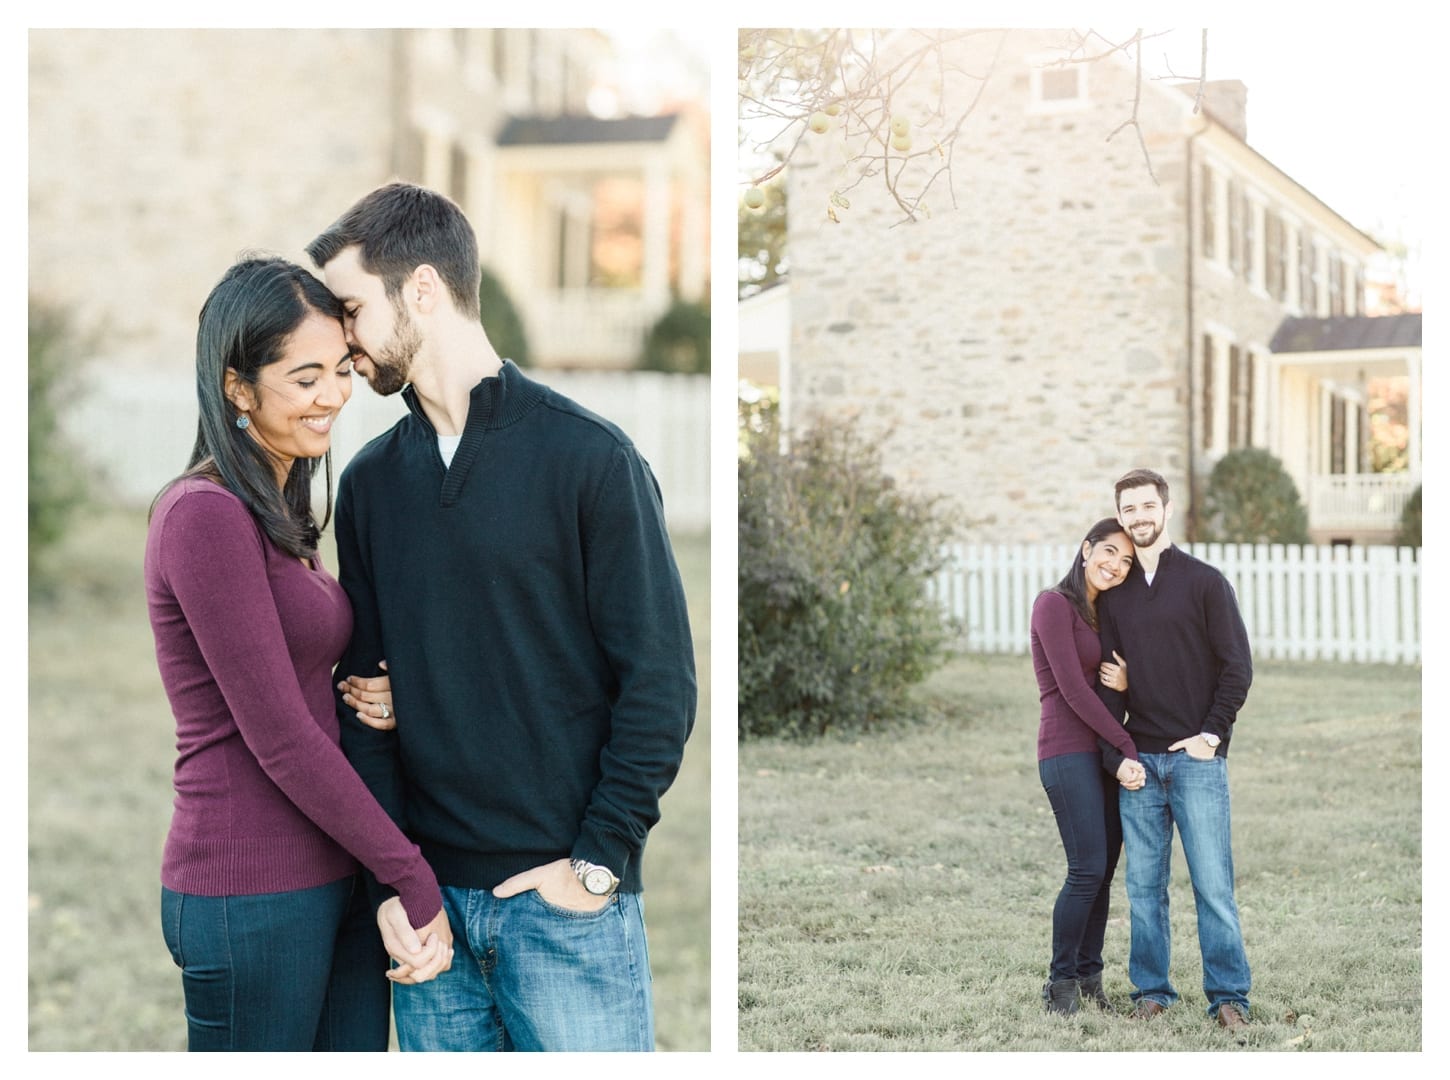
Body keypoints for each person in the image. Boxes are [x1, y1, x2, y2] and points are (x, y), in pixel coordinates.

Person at [306, 182, 697, 1052]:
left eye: (350, 307)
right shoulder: (370, 485)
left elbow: (660, 682)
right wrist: (391, 891)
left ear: (420, 292)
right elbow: (362, 702)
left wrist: (596, 866)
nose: (341, 337)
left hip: (565, 914)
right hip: (429, 921)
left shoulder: (589, 460)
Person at [145, 256, 453, 1052]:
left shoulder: (277, 512)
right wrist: (409, 872)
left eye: (341, 370)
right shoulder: (203, 517)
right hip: (249, 894)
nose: (334, 396)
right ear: (238, 386)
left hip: (332, 877)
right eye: (304, 376)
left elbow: (322, 684)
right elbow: (279, 733)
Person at [1095, 467, 1253, 1032]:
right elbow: (1106, 681)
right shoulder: (1115, 595)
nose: (1138, 517)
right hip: (1140, 761)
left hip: (1196, 761)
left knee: (1212, 884)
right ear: (1121, 516)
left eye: (1146, 506)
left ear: (1166, 507)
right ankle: (1152, 991)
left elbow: (1238, 667)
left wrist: (1211, 736)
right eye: (1128, 509)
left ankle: (1229, 995)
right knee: (1143, 889)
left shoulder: (1205, 582)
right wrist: (1119, 755)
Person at [1031, 518, 1145, 1015]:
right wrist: (1124, 747)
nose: (1115, 566)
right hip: (1066, 750)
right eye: (1108, 553)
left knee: (1103, 873)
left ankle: (1089, 978)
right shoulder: (1052, 605)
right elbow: (1073, 691)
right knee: (1085, 870)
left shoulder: (1107, 615)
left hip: (1101, 753)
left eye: (1125, 561)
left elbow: (1102, 690)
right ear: (1086, 549)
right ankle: (1059, 987)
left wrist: (1124, 685)